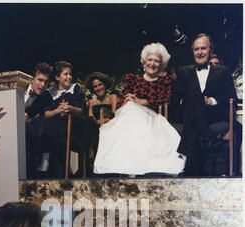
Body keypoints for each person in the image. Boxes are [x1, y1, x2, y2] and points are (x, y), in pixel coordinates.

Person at [93, 43, 185, 176]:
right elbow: (120, 104)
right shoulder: (132, 80)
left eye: (156, 60)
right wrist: (127, 100)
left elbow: (168, 100)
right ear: (144, 61)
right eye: (150, 59)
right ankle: (127, 166)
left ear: (161, 64)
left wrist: (143, 102)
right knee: (130, 109)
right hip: (129, 116)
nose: (152, 63)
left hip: (153, 117)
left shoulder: (166, 81)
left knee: (134, 113)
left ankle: (134, 168)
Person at [173, 33, 238, 176]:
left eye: (203, 48)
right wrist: (192, 100)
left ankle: (186, 160)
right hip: (190, 114)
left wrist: (212, 101)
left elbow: (231, 97)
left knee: (196, 106)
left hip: (213, 115)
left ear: (210, 50)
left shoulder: (223, 71)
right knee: (195, 97)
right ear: (192, 52)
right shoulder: (184, 72)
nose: (200, 52)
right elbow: (175, 98)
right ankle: (206, 135)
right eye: (196, 49)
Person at [26, 61, 87, 178]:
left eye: (70, 74)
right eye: (66, 74)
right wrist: (57, 111)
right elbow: (46, 113)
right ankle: (35, 163)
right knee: (38, 123)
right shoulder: (50, 93)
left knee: (48, 124)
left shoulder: (75, 88)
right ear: (57, 77)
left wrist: (70, 108)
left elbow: (81, 110)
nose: (69, 77)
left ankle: (44, 162)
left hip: (71, 123)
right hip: (53, 122)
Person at [85, 72, 118, 169]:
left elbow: (114, 115)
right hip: (95, 127)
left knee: (99, 131)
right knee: (91, 128)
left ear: (105, 84)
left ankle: (92, 157)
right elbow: (91, 117)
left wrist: (102, 121)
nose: (98, 88)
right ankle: (91, 162)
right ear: (92, 89)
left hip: (110, 126)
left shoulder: (112, 97)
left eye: (100, 84)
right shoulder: (91, 102)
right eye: (95, 86)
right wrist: (95, 121)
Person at [24, 62, 52, 179]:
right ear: (32, 79)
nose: (42, 85)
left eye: (46, 82)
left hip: (28, 131)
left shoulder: (47, 97)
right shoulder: (20, 87)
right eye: (40, 80)